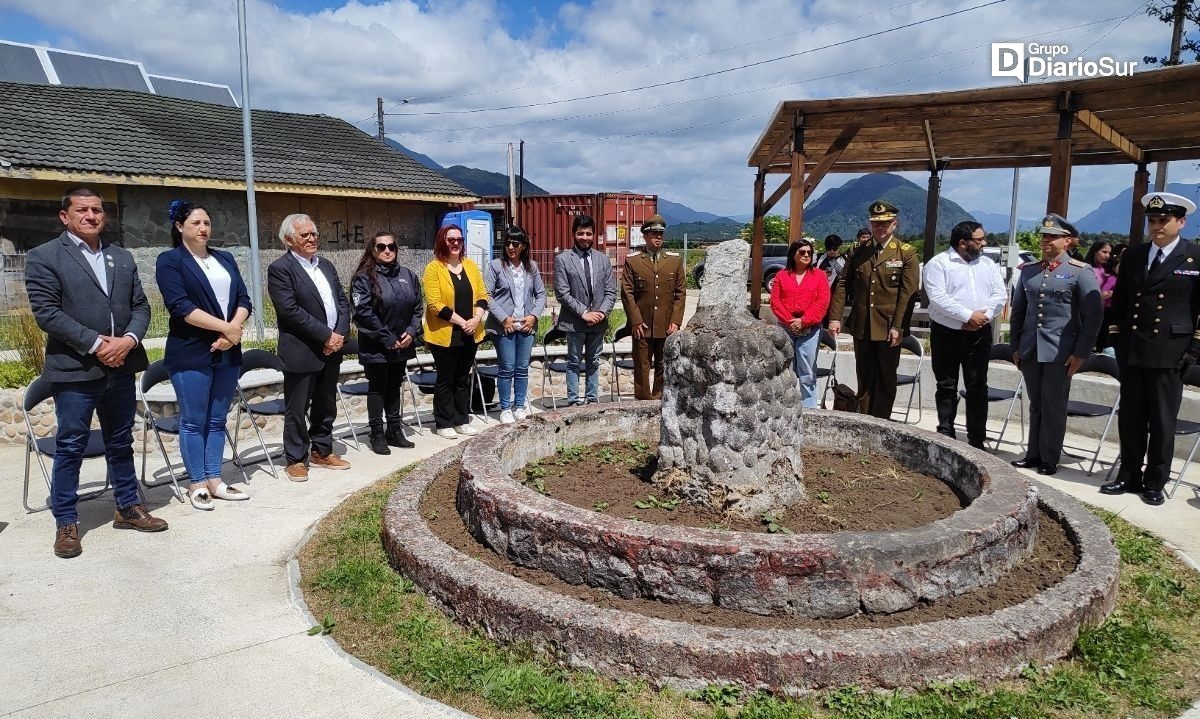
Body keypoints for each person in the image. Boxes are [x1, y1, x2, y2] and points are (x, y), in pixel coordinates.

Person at [25, 186, 167, 558]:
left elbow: (140, 306)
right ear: (65, 216)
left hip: (121, 366)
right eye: (82, 210)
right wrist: (97, 344)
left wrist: (130, 340)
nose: (91, 216)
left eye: (97, 210)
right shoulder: (45, 257)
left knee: (121, 441)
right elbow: (47, 313)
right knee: (71, 445)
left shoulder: (120, 257)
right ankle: (66, 522)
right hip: (75, 369)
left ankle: (127, 507)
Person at [1100, 192, 1200, 506]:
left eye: (1163, 220)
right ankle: (1128, 474)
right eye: (1152, 220)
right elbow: (1120, 304)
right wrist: (1116, 339)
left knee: (1161, 420)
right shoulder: (1133, 256)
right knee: (1130, 418)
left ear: (1181, 222)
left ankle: (1155, 481)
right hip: (1133, 349)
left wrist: (1193, 350)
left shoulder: (1194, 257)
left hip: (1171, 351)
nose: (1156, 226)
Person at [155, 200, 253, 509]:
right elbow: (181, 306)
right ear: (179, 226)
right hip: (191, 352)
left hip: (227, 350)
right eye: (196, 222)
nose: (203, 228)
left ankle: (215, 478)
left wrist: (232, 329)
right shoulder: (170, 261)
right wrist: (227, 329)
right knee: (194, 420)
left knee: (217, 419)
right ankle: (196, 483)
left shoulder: (224, 258)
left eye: (207, 223)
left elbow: (243, 297)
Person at [1009, 214, 1102, 476]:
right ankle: (1033, 453)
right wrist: (1015, 346)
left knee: (1053, 405)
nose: (1045, 241)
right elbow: (1019, 312)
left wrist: (1080, 352)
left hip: (1060, 352)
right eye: (1043, 236)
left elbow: (1093, 316)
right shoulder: (1029, 270)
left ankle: (1049, 457)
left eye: (1052, 236)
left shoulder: (1079, 271)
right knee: (1036, 403)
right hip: (1030, 349)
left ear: (1068, 240)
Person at [267, 213, 352, 481]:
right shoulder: (281, 269)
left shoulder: (325, 265)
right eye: (305, 235)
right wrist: (325, 336)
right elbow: (289, 310)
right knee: (297, 406)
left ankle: (322, 451)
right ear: (289, 240)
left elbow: (342, 301)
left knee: (326, 405)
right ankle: (295, 458)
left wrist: (338, 334)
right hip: (302, 349)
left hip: (332, 348)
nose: (312, 238)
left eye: (314, 233)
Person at [828, 201, 921, 419]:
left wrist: (899, 325)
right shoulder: (858, 251)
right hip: (862, 325)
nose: (880, 228)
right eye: (876, 224)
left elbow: (908, 293)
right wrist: (835, 317)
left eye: (885, 224)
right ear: (870, 224)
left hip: (889, 327)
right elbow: (842, 283)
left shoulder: (905, 253)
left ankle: (882, 422)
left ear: (894, 224)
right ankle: (867, 422)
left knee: (886, 379)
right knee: (865, 378)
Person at [922, 220, 1007, 449]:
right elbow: (938, 298)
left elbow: (1000, 294)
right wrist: (967, 315)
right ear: (962, 243)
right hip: (947, 334)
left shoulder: (988, 265)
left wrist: (984, 315)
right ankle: (947, 436)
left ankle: (977, 440)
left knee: (978, 386)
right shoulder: (939, 264)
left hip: (979, 334)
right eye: (979, 240)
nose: (984, 243)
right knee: (947, 385)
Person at [351, 231, 421, 454]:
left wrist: (411, 332)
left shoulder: (408, 275)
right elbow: (363, 313)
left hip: (402, 344)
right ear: (373, 250)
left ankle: (394, 430)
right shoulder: (364, 278)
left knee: (394, 386)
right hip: (377, 345)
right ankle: (377, 434)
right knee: (378, 388)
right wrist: (387, 338)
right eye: (381, 247)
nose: (387, 250)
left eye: (391, 246)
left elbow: (418, 307)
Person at [423, 223, 489, 439]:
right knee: (446, 379)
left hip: (471, 332)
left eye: (459, 240)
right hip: (445, 334)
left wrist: (476, 318)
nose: (455, 243)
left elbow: (482, 295)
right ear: (442, 241)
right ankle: (443, 422)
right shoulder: (434, 268)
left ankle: (461, 419)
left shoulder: (470, 266)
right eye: (451, 239)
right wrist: (463, 322)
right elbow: (435, 304)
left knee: (463, 378)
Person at [619, 214, 686, 400]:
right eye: (654, 234)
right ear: (645, 236)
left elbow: (680, 293)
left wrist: (676, 321)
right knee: (641, 364)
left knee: (663, 365)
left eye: (660, 234)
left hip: (666, 325)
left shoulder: (674, 261)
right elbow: (627, 293)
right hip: (642, 325)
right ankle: (642, 400)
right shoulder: (633, 261)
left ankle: (659, 399)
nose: (658, 237)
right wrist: (636, 321)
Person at [554, 214, 617, 405]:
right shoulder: (563, 260)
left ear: (593, 235)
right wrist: (584, 313)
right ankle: (573, 401)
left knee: (594, 362)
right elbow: (562, 294)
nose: (585, 237)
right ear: (574, 234)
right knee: (573, 362)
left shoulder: (603, 259)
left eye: (588, 233)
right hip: (574, 321)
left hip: (598, 322)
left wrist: (601, 313)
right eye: (581, 233)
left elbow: (611, 291)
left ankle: (592, 400)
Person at [485, 225, 546, 422]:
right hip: (504, 326)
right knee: (507, 367)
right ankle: (505, 408)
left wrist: (534, 316)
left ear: (523, 246)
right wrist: (504, 318)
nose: (511, 247)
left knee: (522, 368)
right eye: (508, 243)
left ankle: (519, 405)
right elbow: (486, 295)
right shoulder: (495, 266)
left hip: (526, 326)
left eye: (515, 243)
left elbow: (542, 294)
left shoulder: (532, 267)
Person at [770, 238, 831, 408]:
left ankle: (809, 408)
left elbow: (822, 301)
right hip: (786, 327)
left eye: (809, 253)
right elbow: (776, 301)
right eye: (802, 252)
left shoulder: (819, 275)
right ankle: (786, 407)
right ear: (793, 254)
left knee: (807, 369)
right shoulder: (782, 276)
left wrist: (804, 321)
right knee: (786, 368)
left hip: (810, 329)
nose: (806, 255)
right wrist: (790, 321)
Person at [1084, 240, 1117, 352]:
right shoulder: (1085, 269)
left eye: (1109, 253)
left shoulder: (1109, 269)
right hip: (1089, 310)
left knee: (1103, 338)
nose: (1107, 255)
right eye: (1104, 252)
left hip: (1107, 309)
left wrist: (1112, 293)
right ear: (1094, 251)